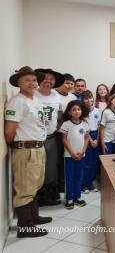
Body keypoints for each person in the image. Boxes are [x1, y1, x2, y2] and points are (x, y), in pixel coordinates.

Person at [5, 66, 51, 238]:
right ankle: (25, 227)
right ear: (19, 83)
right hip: (26, 150)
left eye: (33, 80)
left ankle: (34, 217)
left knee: (35, 185)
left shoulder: (34, 100)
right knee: (25, 189)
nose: (32, 83)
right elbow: (9, 132)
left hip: (38, 148)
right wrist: (20, 148)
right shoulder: (17, 101)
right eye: (27, 80)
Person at [34, 68, 65, 206]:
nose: (49, 80)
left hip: (51, 137)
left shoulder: (56, 95)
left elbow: (59, 116)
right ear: (40, 79)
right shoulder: (32, 94)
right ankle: (37, 198)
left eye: (51, 78)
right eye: (45, 77)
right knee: (37, 168)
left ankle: (49, 196)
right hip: (35, 138)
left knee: (51, 168)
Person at [59, 100, 89, 209]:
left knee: (79, 177)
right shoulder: (66, 124)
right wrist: (72, 152)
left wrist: (82, 152)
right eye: (74, 110)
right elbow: (64, 140)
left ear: (82, 111)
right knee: (69, 178)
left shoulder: (85, 124)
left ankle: (77, 197)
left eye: (79, 109)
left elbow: (86, 138)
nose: (76, 111)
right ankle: (69, 199)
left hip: (81, 155)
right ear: (69, 112)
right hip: (69, 156)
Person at [81, 90, 100, 193]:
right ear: (83, 100)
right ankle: (83, 184)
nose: (89, 100)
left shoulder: (97, 111)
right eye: (86, 98)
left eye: (90, 97)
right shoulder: (82, 112)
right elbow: (84, 128)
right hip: (86, 137)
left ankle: (90, 183)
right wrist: (91, 140)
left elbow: (98, 126)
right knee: (86, 162)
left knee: (94, 161)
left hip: (95, 135)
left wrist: (96, 139)